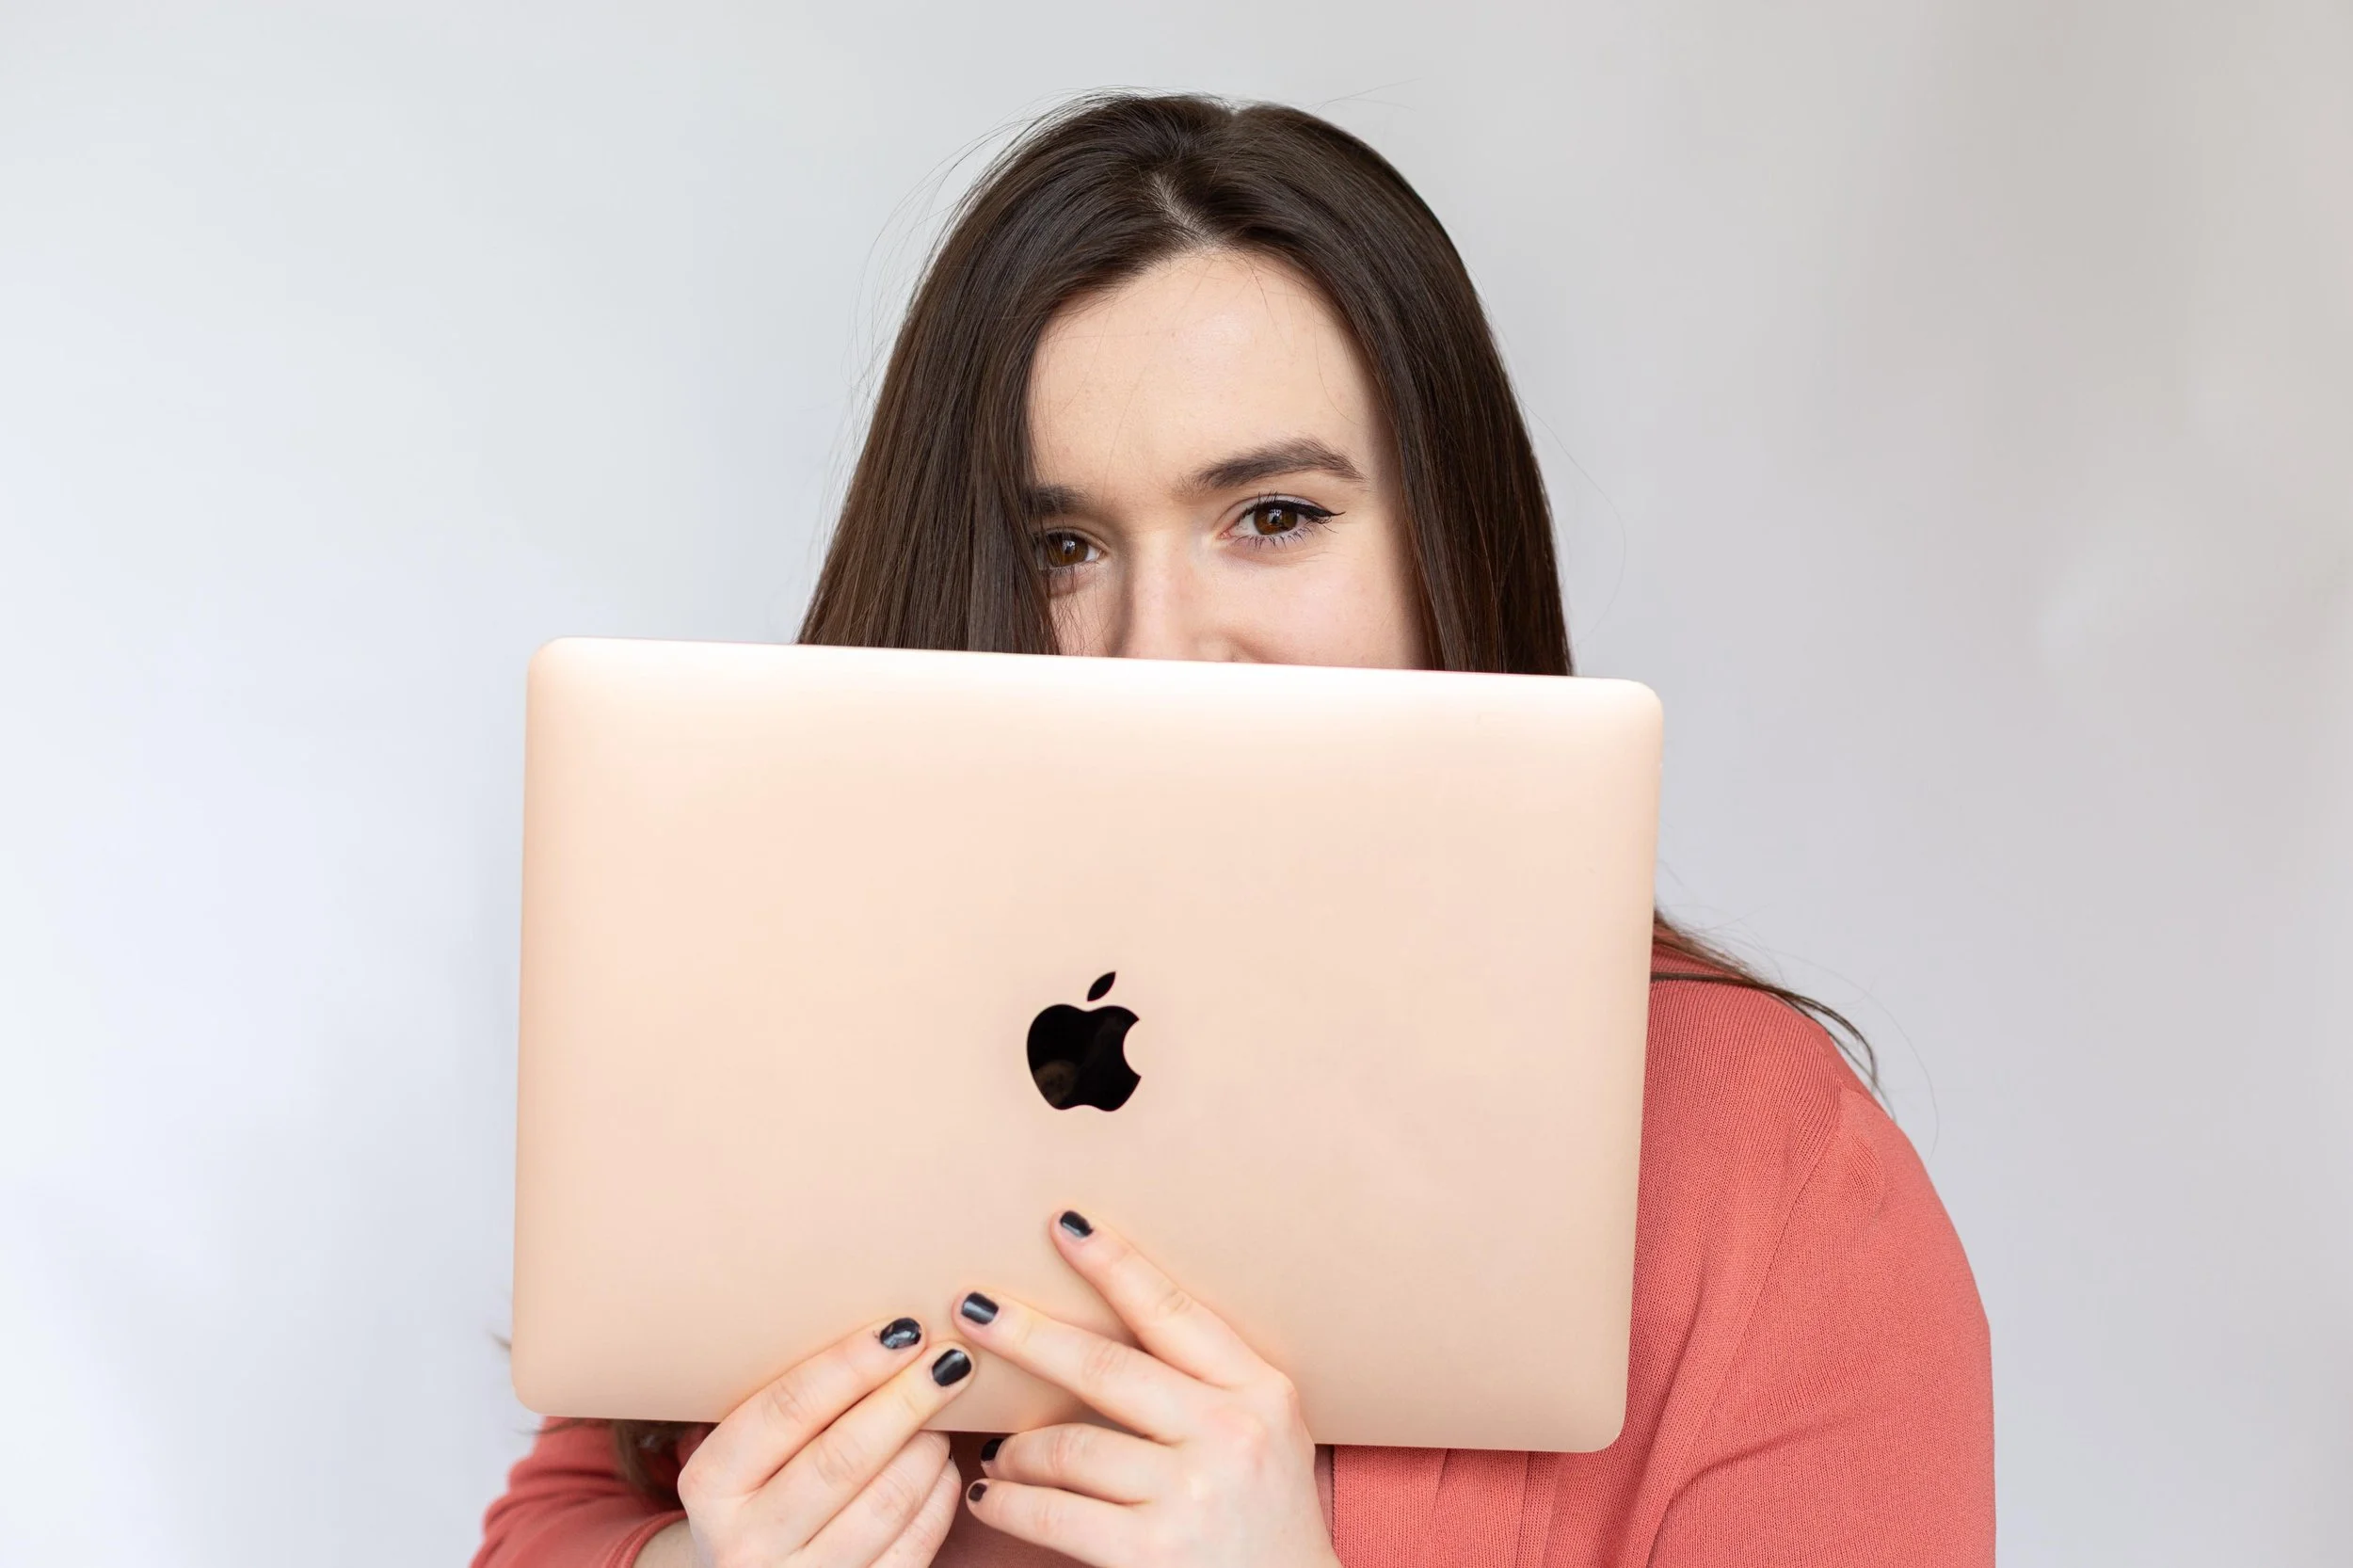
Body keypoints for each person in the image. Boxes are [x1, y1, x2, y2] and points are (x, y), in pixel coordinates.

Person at [472, 93, 1993, 1568]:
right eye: (1061, 544)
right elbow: (568, 1505)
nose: (1159, 645)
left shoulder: (1761, 1169)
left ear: (1448, 541)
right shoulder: (795, 1034)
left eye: (1272, 516)